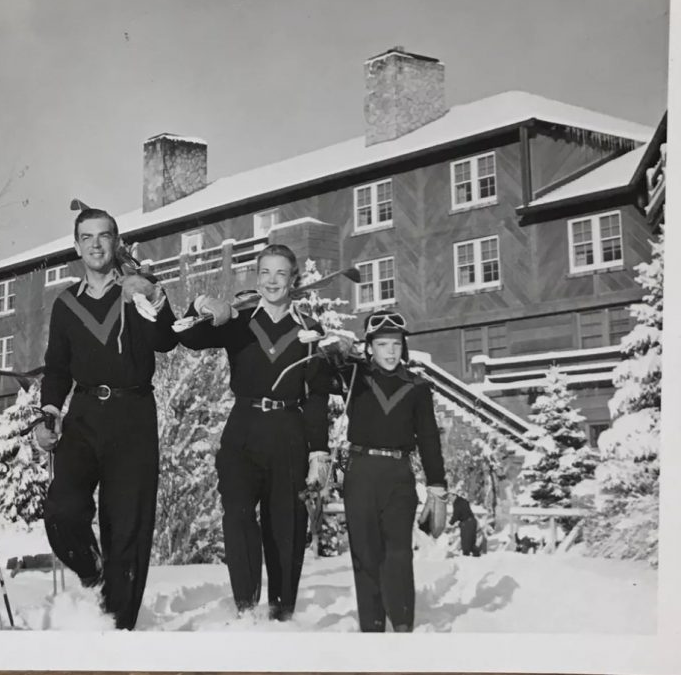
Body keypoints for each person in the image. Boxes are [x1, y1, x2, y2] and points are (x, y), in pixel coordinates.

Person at [31, 207, 177, 630]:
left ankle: (119, 626)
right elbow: (57, 367)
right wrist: (49, 412)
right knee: (61, 510)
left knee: (127, 525)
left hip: (133, 414)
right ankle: (93, 572)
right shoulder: (66, 304)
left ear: (117, 242)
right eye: (87, 237)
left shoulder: (137, 290)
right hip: (85, 414)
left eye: (105, 235)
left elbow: (167, 341)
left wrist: (151, 295)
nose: (96, 244)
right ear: (77, 246)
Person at [174, 244, 334, 622]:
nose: (273, 281)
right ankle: (245, 606)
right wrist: (201, 304)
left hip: (289, 431)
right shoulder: (239, 320)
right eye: (265, 273)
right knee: (238, 514)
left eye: (281, 273)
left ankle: (282, 611)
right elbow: (187, 338)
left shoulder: (310, 329)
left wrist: (319, 451)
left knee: (286, 523)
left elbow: (316, 395)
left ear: (293, 278)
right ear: (256, 277)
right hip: (243, 429)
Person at [329, 309, 447, 632]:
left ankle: (403, 622)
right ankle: (372, 625)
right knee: (365, 554)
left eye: (396, 344)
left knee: (397, 553)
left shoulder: (417, 387)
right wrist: (336, 347)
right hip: (360, 473)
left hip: (398, 475)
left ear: (404, 347)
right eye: (383, 344)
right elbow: (325, 362)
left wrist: (437, 484)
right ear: (370, 347)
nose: (391, 352)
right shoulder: (355, 377)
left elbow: (428, 437)